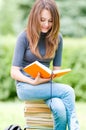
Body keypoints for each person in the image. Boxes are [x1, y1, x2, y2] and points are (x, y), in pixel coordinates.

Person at [11, 0, 80, 130]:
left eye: (50, 21)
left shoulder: (57, 39)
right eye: (42, 20)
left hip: (46, 85)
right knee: (68, 91)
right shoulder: (24, 37)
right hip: (26, 87)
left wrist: (49, 77)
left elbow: (56, 70)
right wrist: (33, 82)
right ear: (35, 18)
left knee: (59, 108)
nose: (46, 24)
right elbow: (14, 72)